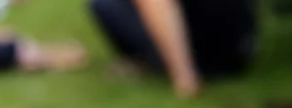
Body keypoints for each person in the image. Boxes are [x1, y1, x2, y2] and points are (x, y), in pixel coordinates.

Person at [88, 0, 258, 98]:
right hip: (238, 49)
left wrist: (185, 77)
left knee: (105, 4)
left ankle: (157, 63)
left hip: (205, 56)